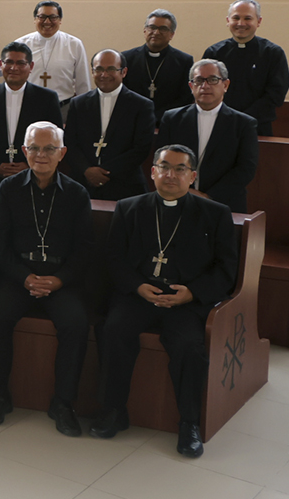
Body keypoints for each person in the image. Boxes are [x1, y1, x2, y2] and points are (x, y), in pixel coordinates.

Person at [91, 144, 237, 458]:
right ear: (153, 172)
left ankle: (189, 423)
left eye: (180, 169)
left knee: (188, 345)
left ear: (192, 176)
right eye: (164, 167)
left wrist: (192, 293)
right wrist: (137, 286)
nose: (171, 175)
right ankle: (113, 410)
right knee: (113, 330)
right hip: (139, 294)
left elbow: (226, 270)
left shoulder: (215, 214)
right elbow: (113, 258)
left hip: (185, 300)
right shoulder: (129, 207)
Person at [0, 121, 93, 437]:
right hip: (18, 275)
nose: (41, 155)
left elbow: (84, 249)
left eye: (49, 149)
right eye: (34, 148)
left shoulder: (77, 193)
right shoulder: (8, 188)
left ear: (62, 153)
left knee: (75, 323)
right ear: (23, 150)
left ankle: (63, 403)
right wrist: (24, 277)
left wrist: (58, 280)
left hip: (61, 280)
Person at [157, 59, 259, 213]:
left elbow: (246, 168)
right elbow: (162, 162)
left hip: (224, 203)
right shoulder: (172, 119)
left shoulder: (244, 124)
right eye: (199, 81)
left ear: (225, 85)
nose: (205, 86)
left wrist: (208, 197)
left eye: (212, 80)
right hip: (178, 200)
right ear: (191, 86)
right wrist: (184, 191)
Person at [63, 50, 155, 200]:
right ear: (92, 72)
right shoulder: (78, 104)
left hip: (125, 183)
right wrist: (87, 170)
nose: (104, 75)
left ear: (123, 72)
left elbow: (141, 148)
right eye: (98, 69)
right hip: (82, 182)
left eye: (111, 69)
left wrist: (105, 172)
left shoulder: (141, 105)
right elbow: (70, 142)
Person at [0, 42, 63, 193]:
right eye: (9, 62)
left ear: (31, 66)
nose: (14, 68)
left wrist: (30, 164)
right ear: (1, 65)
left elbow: (56, 140)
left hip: (34, 176)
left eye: (20, 63)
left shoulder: (47, 98)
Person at [202, 0, 289, 136]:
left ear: (258, 21)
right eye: (236, 18)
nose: (241, 23)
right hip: (220, 125)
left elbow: (276, 94)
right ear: (228, 20)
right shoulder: (214, 53)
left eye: (247, 18)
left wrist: (243, 119)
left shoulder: (273, 53)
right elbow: (205, 88)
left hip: (258, 126)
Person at [14, 0, 91, 119]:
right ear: (35, 19)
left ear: (60, 20)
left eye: (53, 17)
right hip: (29, 107)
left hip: (63, 107)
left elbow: (83, 83)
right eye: (42, 17)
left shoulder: (74, 44)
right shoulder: (21, 45)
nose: (47, 21)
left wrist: (84, 111)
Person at [121, 9, 194, 125]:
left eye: (163, 29)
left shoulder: (184, 61)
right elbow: (122, 93)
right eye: (152, 27)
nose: (156, 32)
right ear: (145, 30)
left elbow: (185, 98)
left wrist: (160, 118)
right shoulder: (126, 58)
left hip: (169, 122)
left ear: (172, 34)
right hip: (132, 121)